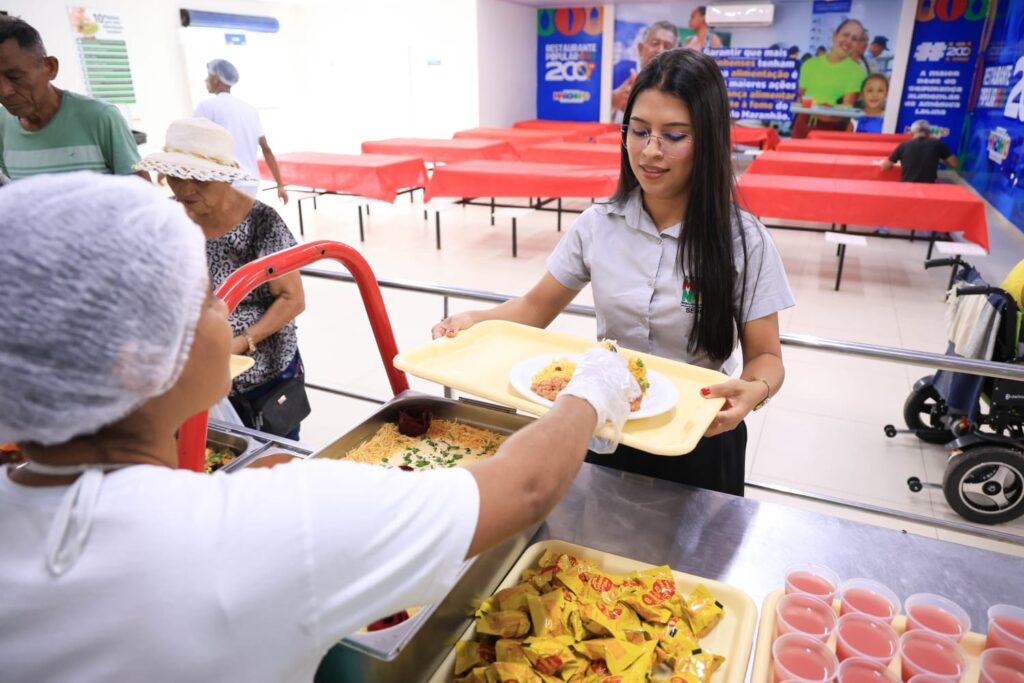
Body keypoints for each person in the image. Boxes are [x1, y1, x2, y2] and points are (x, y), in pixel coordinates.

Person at [0, 172, 640, 682]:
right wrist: (592, 387)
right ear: (139, 363)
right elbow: (524, 487)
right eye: (202, 299)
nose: (226, 313)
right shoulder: (264, 528)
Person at [434, 49, 795, 496]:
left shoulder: (744, 240)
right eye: (639, 131)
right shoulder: (598, 224)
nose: (651, 151)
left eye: (674, 136)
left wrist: (754, 389)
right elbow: (534, 307)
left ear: (710, 141)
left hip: (699, 434)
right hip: (605, 423)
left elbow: (767, 357)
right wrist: (474, 321)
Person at [136, 118, 306, 439]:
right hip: (197, 370)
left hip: (264, 371)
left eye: (199, 178)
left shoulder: (262, 223)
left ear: (223, 178)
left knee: (273, 453)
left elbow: (293, 298)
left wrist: (241, 343)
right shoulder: (168, 217)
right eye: (176, 176)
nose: (185, 189)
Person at [0, 16, 146, 181]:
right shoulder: (2, 124)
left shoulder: (100, 117)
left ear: (50, 67)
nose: (5, 92)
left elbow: (144, 197)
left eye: (15, 77)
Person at [194, 59, 288, 203]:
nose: (205, 80)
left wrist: (168, 168)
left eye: (208, 76)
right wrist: (280, 185)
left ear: (216, 78)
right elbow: (266, 149)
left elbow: (189, 139)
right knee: (243, 224)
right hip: (250, 183)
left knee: (226, 225)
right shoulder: (249, 110)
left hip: (225, 182)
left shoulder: (207, 107)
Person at [793, 18, 868, 138]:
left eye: (854, 39)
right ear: (835, 35)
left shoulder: (857, 72)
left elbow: (847, 106)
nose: (848, 41)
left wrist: (824, 110)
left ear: (857, 44)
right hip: (803, 124)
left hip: (832, 128)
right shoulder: (810, 64)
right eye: (845, 35)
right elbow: (800, 96)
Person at [611, 20, 679, 122]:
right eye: (655, 43)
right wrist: (613, 100)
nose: (660, 50)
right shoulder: (619, 70)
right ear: (640, 48)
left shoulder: (678, 82)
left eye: (667, 47)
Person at [880, 119, 958, 183]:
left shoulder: (904, 145)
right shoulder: (938, 144)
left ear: (912, 132)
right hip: (929, 186)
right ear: (928, 132)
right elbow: (954, 164)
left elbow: (884, 167)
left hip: (906, 185)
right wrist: (940, 159)